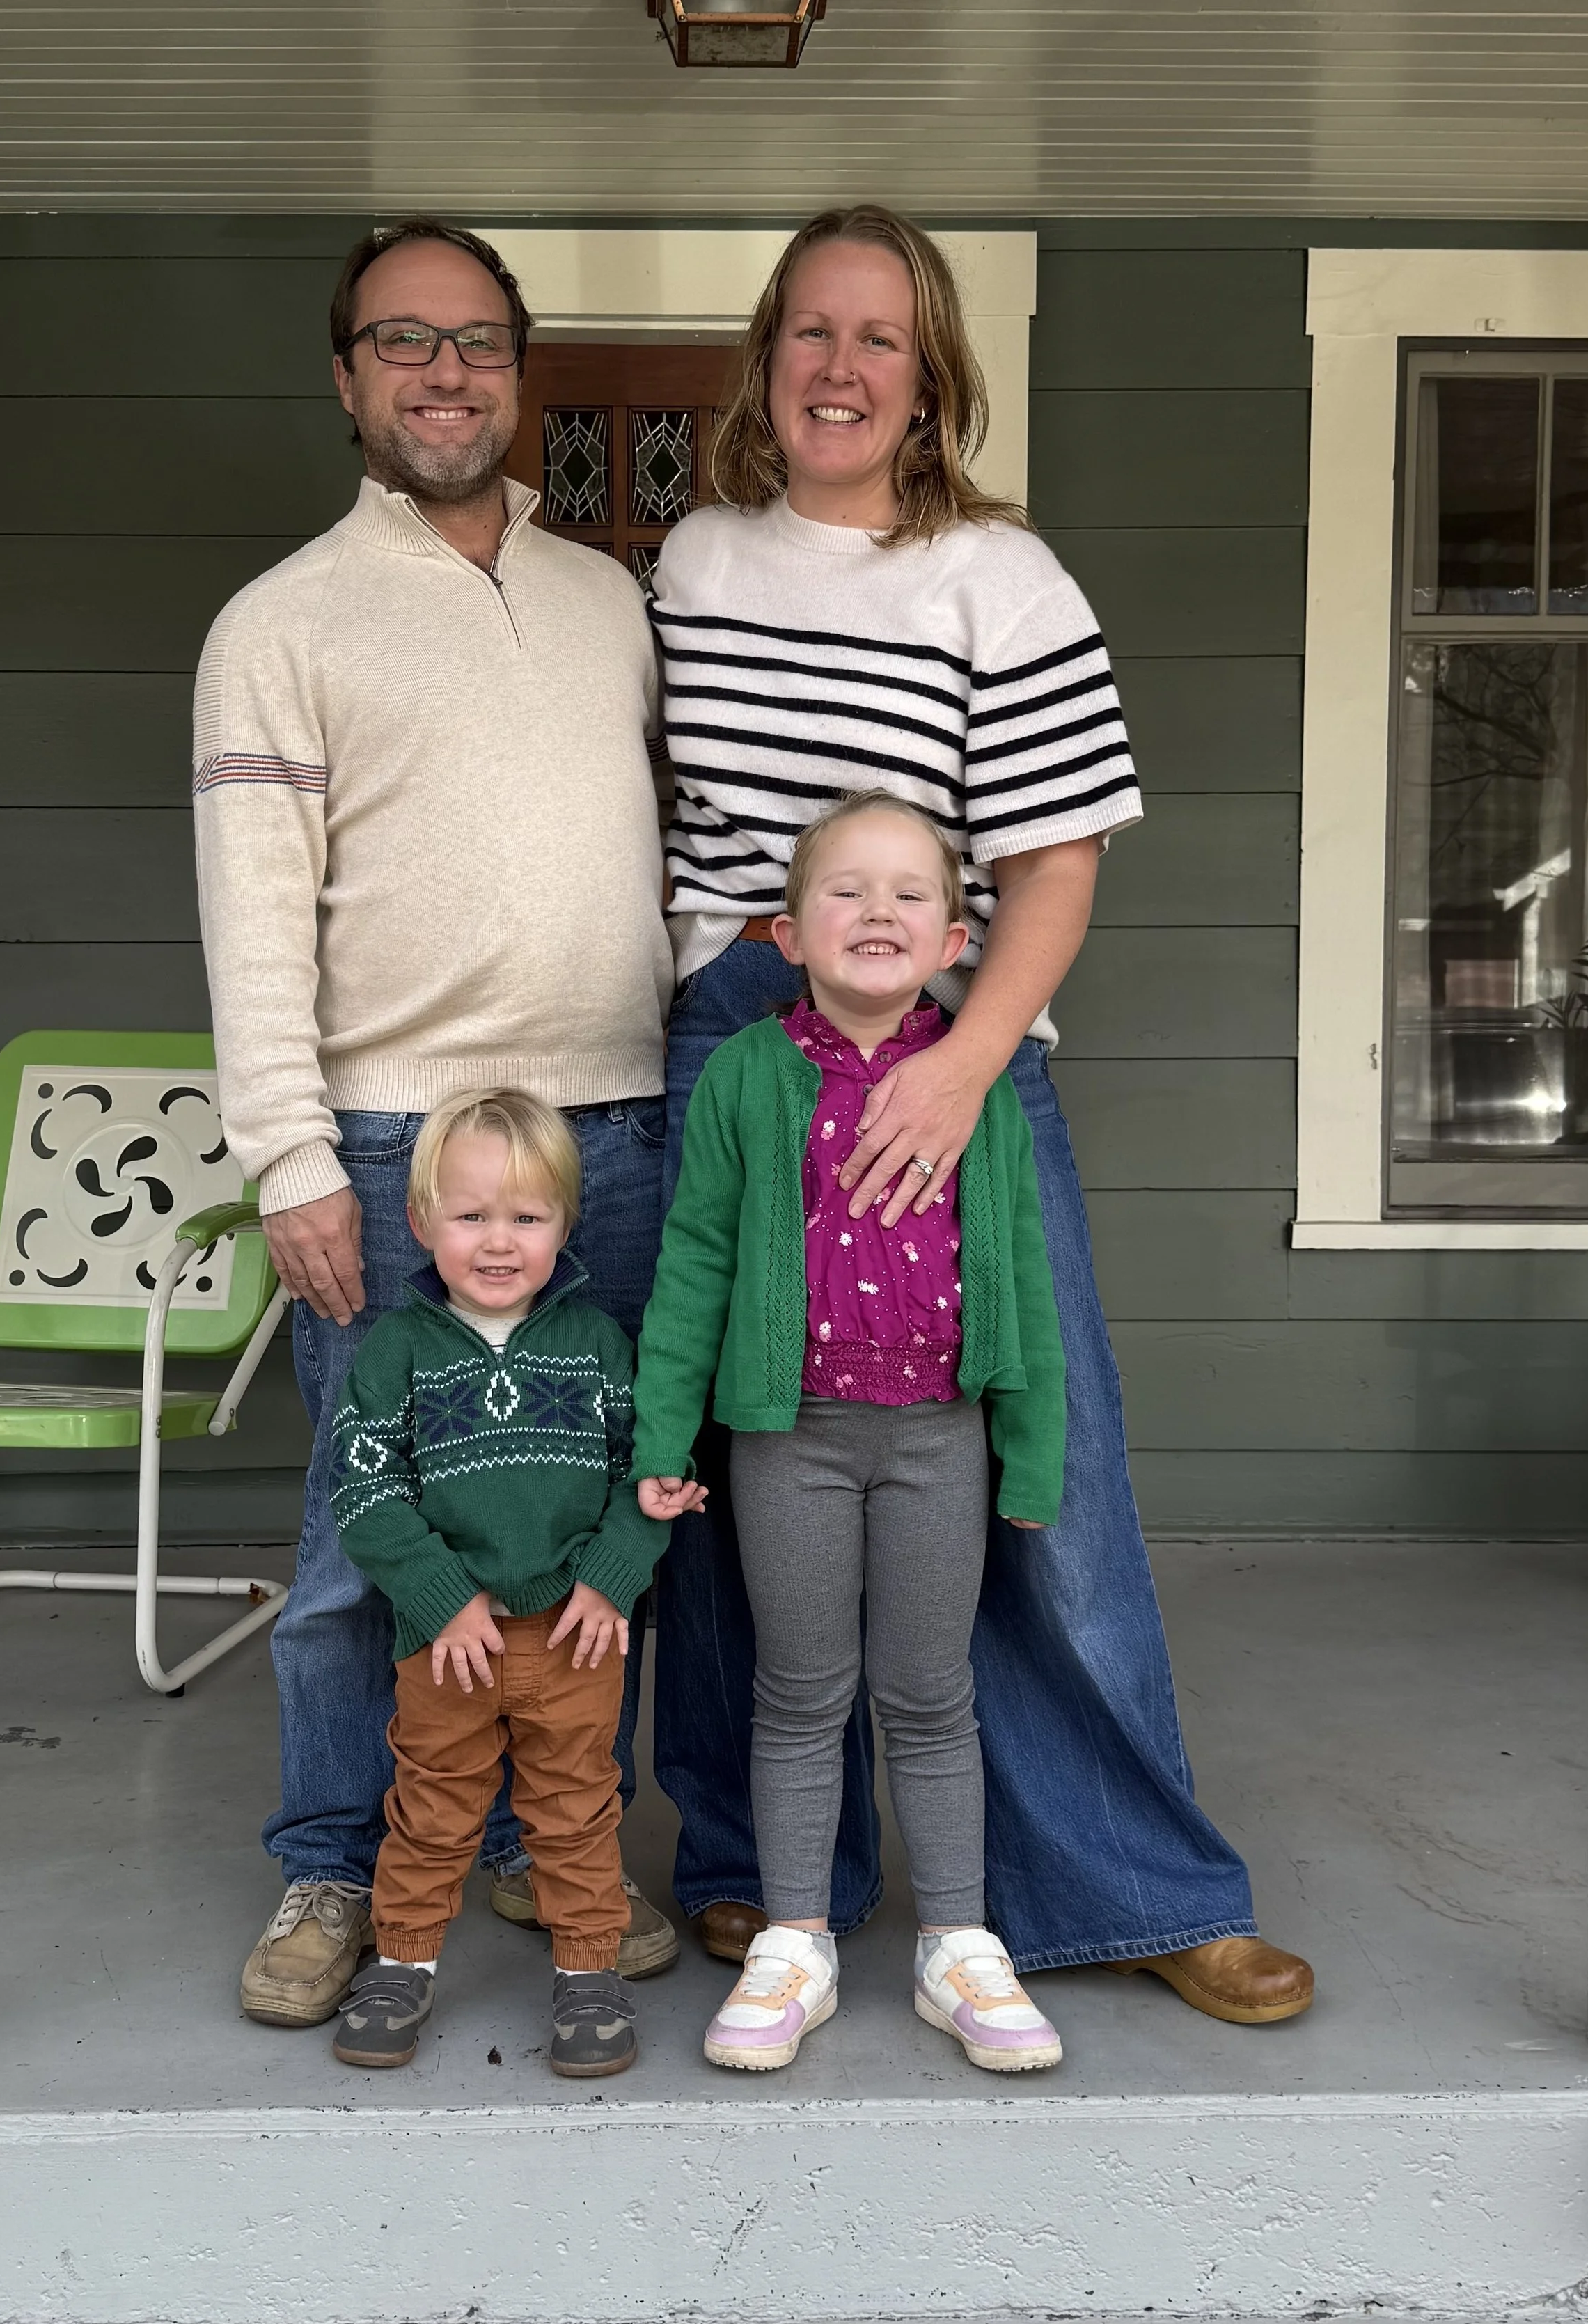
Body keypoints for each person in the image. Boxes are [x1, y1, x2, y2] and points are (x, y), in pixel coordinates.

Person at [647, 203, 1314, 2024]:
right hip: (735, 1032)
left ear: (933, 379)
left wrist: (960, 1065)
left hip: (955, 1037)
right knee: (734, 1439)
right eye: (808, 331)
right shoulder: (694, 563)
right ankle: (759, 1868)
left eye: (878, 337)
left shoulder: (999, 581)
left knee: (1034, 1456)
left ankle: (1125, 1882)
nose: (839, 367)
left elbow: (1051, 862)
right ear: (763, 361)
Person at [193, 216, 678, 2034]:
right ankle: (333, 1858)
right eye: (403, 340)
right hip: (395, 1155)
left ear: (518, 374)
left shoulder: (605, 598)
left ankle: (537, 1844)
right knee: (359, 1529)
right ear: (346, 377)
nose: (444, 371)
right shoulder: (280, 624)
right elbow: (251, 914)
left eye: (475, 341)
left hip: (614, 1137)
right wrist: (290, 1156)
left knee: (578, 1515)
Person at [636, 795, 1068, 2074]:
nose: (877, 912)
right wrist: (667, 1434)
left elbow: (1026, 1278)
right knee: (799, 1693)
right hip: (794, 1441)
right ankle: (795, 1939)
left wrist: (1032, 1451)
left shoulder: (977, 1087)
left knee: (933, 1695)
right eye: (845, 891)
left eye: (909, 894)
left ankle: (957, 1942)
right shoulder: (747, 1074)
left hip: (941, 1437)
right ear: (784, 930)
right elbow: (695, 1261)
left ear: (952, 942)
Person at [329, 1090, 666, 2075]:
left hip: (575, 1637)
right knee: (432, 1809)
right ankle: (399, 1961)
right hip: (448, 1642)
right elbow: (367, 1488)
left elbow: (644, 1479)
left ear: (567, 1223)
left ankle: (590, 1975)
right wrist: (437, 1593)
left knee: (575, 1808)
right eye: (472, 1216)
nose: (498, 1242)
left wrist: (610, 1580)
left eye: (527, 1217)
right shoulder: (397, 1352)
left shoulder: (601, 1346)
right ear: (421, 1222)